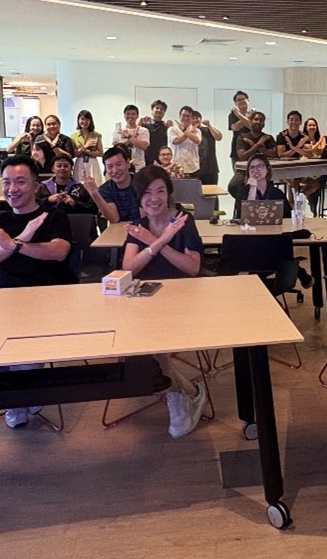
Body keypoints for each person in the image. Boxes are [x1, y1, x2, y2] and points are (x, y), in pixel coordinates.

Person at [0, 156, 74, 427]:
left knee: (23, 340)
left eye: (20, 182)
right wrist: (20, 239)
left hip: (46, 297)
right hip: (1, 298)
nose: (12, 189)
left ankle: (18, 398)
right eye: (7, 182)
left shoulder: (52, 217)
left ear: (35, 186)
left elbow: (58, 252)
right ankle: (23, 393)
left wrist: (13, 246)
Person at [120, 165, 210, 437]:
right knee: (137, 344)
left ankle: (179, 394)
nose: (154, 198)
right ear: (139, 198)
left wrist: (159, 242)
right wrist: (156, 242)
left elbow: (192, 268)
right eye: (147, 193)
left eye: (160, 191)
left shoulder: (183, 221)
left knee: (151, 343)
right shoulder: (138, 227)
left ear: (168, 192)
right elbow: (129, 268)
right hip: (145, 298)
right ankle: (189, 391)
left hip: (183, 299)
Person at [84, 147, 140, 224]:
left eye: (119, 164)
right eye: (110, 167)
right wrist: (94, 194)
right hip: (119, 230)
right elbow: (114, 219)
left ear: (128, 164)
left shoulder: (141, 183)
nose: (115, 170)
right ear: (105, 169)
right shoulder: (105, 189)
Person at [227, 154, 290, 218]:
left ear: (267, 169)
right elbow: (245, 217)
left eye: (259, 166)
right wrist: (252, 189)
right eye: (252, 167)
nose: (255, 170)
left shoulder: (277, 193)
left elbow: (288, 217)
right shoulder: (242, 192)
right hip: (250, 227)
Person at [71, 109, 104, 185]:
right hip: (80, 163)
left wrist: (88, 152)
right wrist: (86, 146)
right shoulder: (74, 136)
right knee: (79, 185)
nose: (85, 122)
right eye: (82, 119)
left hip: (92, 163)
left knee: (95, 184)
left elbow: (101, 153)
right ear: (78, 120)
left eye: (87, 119)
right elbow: (73, 154)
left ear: (91, 121)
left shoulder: (96, 135)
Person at [112, 104, 149, 171]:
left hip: (138, 166)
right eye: (128, 114)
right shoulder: (119, 130)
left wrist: (128, 136)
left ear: (137, 116)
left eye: (133, 114)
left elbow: (144, 146)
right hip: (122, 166)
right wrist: (133, 139)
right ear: (124, 115)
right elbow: (116, 148)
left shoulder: (143, 130)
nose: (130, 116)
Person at [168, 106, 201, 177]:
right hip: (175, 167)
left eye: (188, 116)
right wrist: (188, 132)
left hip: (192, 167)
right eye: (183, 115)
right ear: (179, 116)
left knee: (193, 188)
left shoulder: (197, 130)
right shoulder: (172, 129)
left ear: (192, 118)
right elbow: (176, 141)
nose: (186, 118)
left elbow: (197, 140)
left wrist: (185, 131)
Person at [195, 109, 223, 185]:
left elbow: (219, 137)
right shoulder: (188, 133)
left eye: (197, 118)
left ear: (200, 119)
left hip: (211, 167)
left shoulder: (208, 129)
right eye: (193, 118)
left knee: (212, 193)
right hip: (195, 169)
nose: (195, 120)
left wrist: (209, 125)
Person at [141, 100, 171, 167]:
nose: (159, 110)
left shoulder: (167, 127)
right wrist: (140, 121)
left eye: (161, 109)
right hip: (146, 159)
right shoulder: (144, 125)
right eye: (157, 108)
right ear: (152, 110)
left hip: (162, 160)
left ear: (164, 112)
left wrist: (171, 127)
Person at [226, 90, 252, 162]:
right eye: (238, 100)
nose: (241, 101)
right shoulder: (232, 115)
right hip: (236, 150)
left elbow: (251, 126)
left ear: (248, 100)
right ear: (235, 103)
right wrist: (244, 117)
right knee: (238, 173)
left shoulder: (253, 114)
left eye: (243, 99)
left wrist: (239, 115)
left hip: (252, 148)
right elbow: (235, 128)